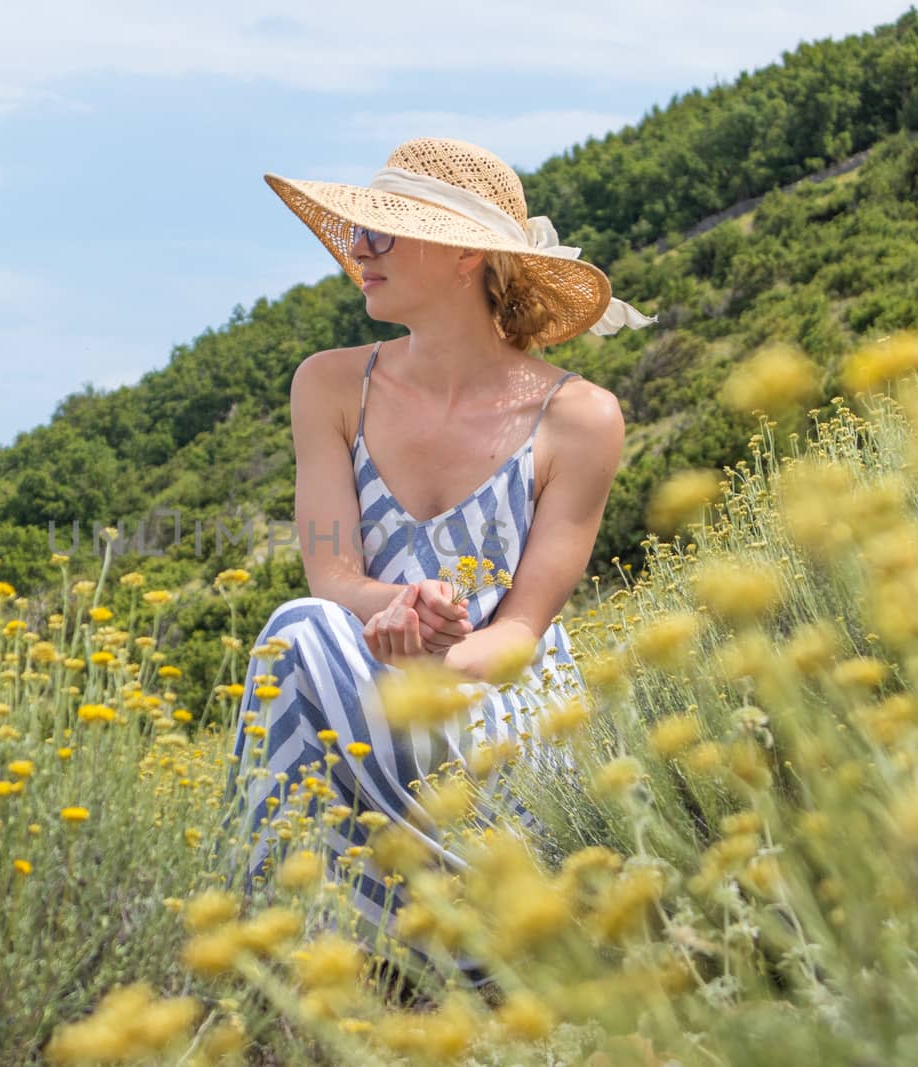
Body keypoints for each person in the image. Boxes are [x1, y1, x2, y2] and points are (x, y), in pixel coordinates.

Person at [218, 136, 657, 986]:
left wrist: (443, 650)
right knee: (301, 627)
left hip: (501, 709)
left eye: (381, 234)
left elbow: (523, 631)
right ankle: (305, 954)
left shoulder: (582, 417)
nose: (358, 252)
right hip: (367, 682)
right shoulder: (329, 385)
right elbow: (331, 574)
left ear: (463, 253)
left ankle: (374, 952)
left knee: (306, 641)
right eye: (356, 232)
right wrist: (400, 608)